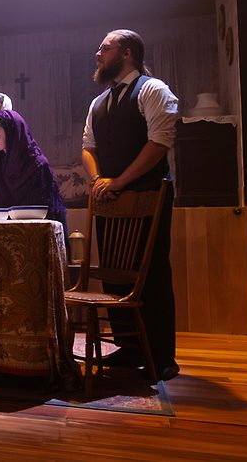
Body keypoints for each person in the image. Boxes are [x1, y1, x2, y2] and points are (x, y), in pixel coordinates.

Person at [81, 28, 180, 381]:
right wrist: (98, 181)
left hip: (147, 195)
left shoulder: (153, 90)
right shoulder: (99, 103)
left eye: (104, 47)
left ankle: (162, 355)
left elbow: (159, 143)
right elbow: (88, 147)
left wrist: (120, 181)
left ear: (126, 53)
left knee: (151, 274)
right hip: (110, 199)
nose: (98, 53)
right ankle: (130, 346)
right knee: (114, 275)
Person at [0, 109, 68, 236]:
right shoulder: (0, 161)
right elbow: (0, 202)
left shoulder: (38, 165)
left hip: (38, 231)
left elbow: (44, 211)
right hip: (10, 229)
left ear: (12, 134)